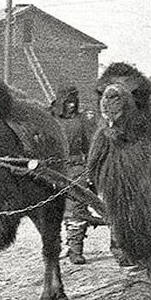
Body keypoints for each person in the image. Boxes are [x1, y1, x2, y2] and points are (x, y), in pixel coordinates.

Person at [50, 85, 100, 264]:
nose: (71, 106)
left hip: (76, 167)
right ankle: (53, 248)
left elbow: (90, 146)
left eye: (74, 102)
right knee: (52, 210)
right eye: (67, 102)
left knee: (77, 208)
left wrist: (90, 169)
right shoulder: (49, 118)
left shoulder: (82, 121)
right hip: (51, 168)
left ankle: (75, 250)